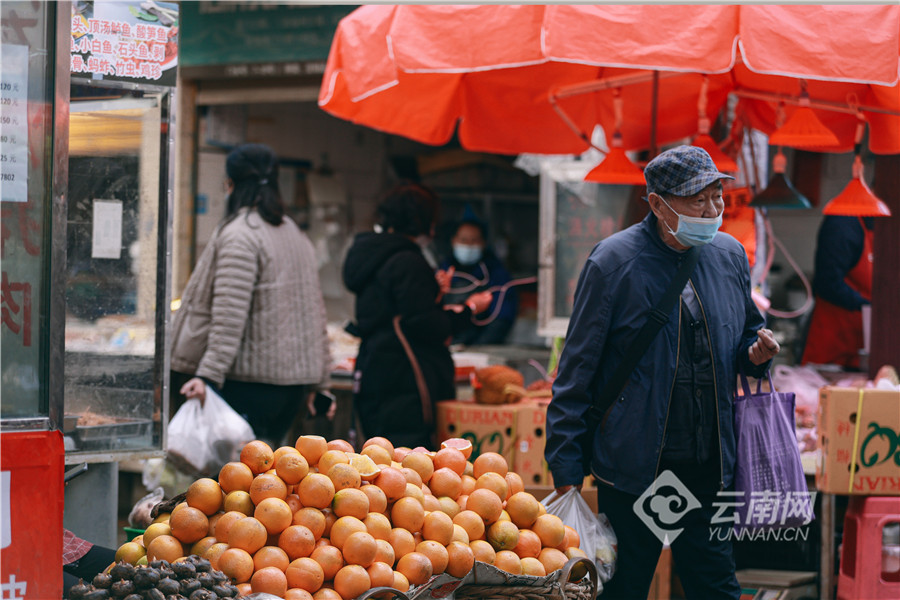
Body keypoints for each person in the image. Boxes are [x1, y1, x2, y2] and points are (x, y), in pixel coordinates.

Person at [545, 146, 780, 600]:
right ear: (657, 204)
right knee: (626, 585)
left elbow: (745, 336)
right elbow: (576, 372)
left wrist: (757, 353)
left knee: (715, 585)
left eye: (717, 196)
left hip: (708, 464)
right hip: (637, 468)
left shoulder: (729, 254)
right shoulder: (613, 263)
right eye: (698, 200)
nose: (712, 210)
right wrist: (566, 465)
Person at [172, 143, 331, 448]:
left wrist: (207, 376)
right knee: (270, 472)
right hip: (292, 390)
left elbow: (229, 315)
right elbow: (316, 312)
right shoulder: (295, 233)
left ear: (231, 184)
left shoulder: (240, 234)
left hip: (249, 385)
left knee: (236, 474)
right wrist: (321, 383)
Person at [342, 183, 492, 449]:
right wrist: (469, 309)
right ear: (422, 220)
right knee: (408, 462)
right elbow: (426, 323)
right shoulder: (408, 262)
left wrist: (434, 290)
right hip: (404, 383)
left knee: (380, 456)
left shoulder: (374, 256)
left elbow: (397, 309)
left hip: (375, 371)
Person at [801, 215, 874, 369]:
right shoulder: (843, 224)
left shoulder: (882, 226)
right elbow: (828, 282)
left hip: (862, 345)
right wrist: (870, 306)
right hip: (831, 343)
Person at [439, 216, 518, 345]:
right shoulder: (442, 272)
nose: (468, 245)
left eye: (474, 240)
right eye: (463, 240)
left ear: (483, 243)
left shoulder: (496, 274)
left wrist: (479, 347)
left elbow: (502, 318)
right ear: (453, 241)